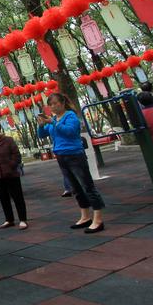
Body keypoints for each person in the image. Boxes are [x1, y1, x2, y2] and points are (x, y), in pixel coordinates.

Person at [38, 92, 106, 233]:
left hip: (75, 155)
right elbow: (43, 134)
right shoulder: (54, 119)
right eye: (50, 104)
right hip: (61, 156)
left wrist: (53, 122)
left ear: (63, 103)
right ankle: (85, 216)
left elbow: (70, 131)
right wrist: (41, 125)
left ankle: (98, 219)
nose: (53, 106)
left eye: (56, 103)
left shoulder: (70, 116)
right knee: (75, 188)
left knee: (88, 186)